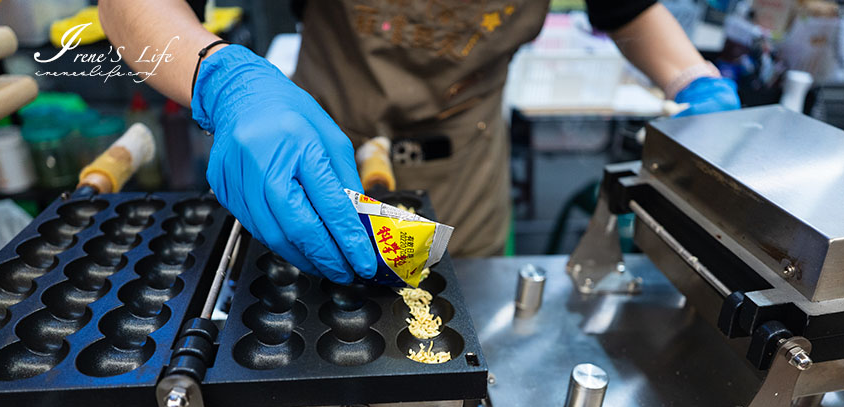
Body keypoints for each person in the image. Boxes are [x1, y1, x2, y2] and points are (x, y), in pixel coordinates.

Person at [98, 1, 739, 284]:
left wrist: (694, 80)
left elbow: (626, 9)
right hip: (318, 157)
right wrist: (221, 76)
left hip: (465, 173)